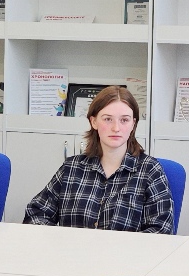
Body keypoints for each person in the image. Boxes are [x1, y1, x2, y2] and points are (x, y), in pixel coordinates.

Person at [25, 86, 172, 233]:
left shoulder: (150, 170)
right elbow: (36, 213)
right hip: (73, 247)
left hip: (123, 249)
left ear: (133, 124)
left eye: (124, 120)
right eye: (108, 119)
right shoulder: (71, 167)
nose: (116, 128)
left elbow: (161, 230)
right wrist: (58, 241)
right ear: (93, 121)